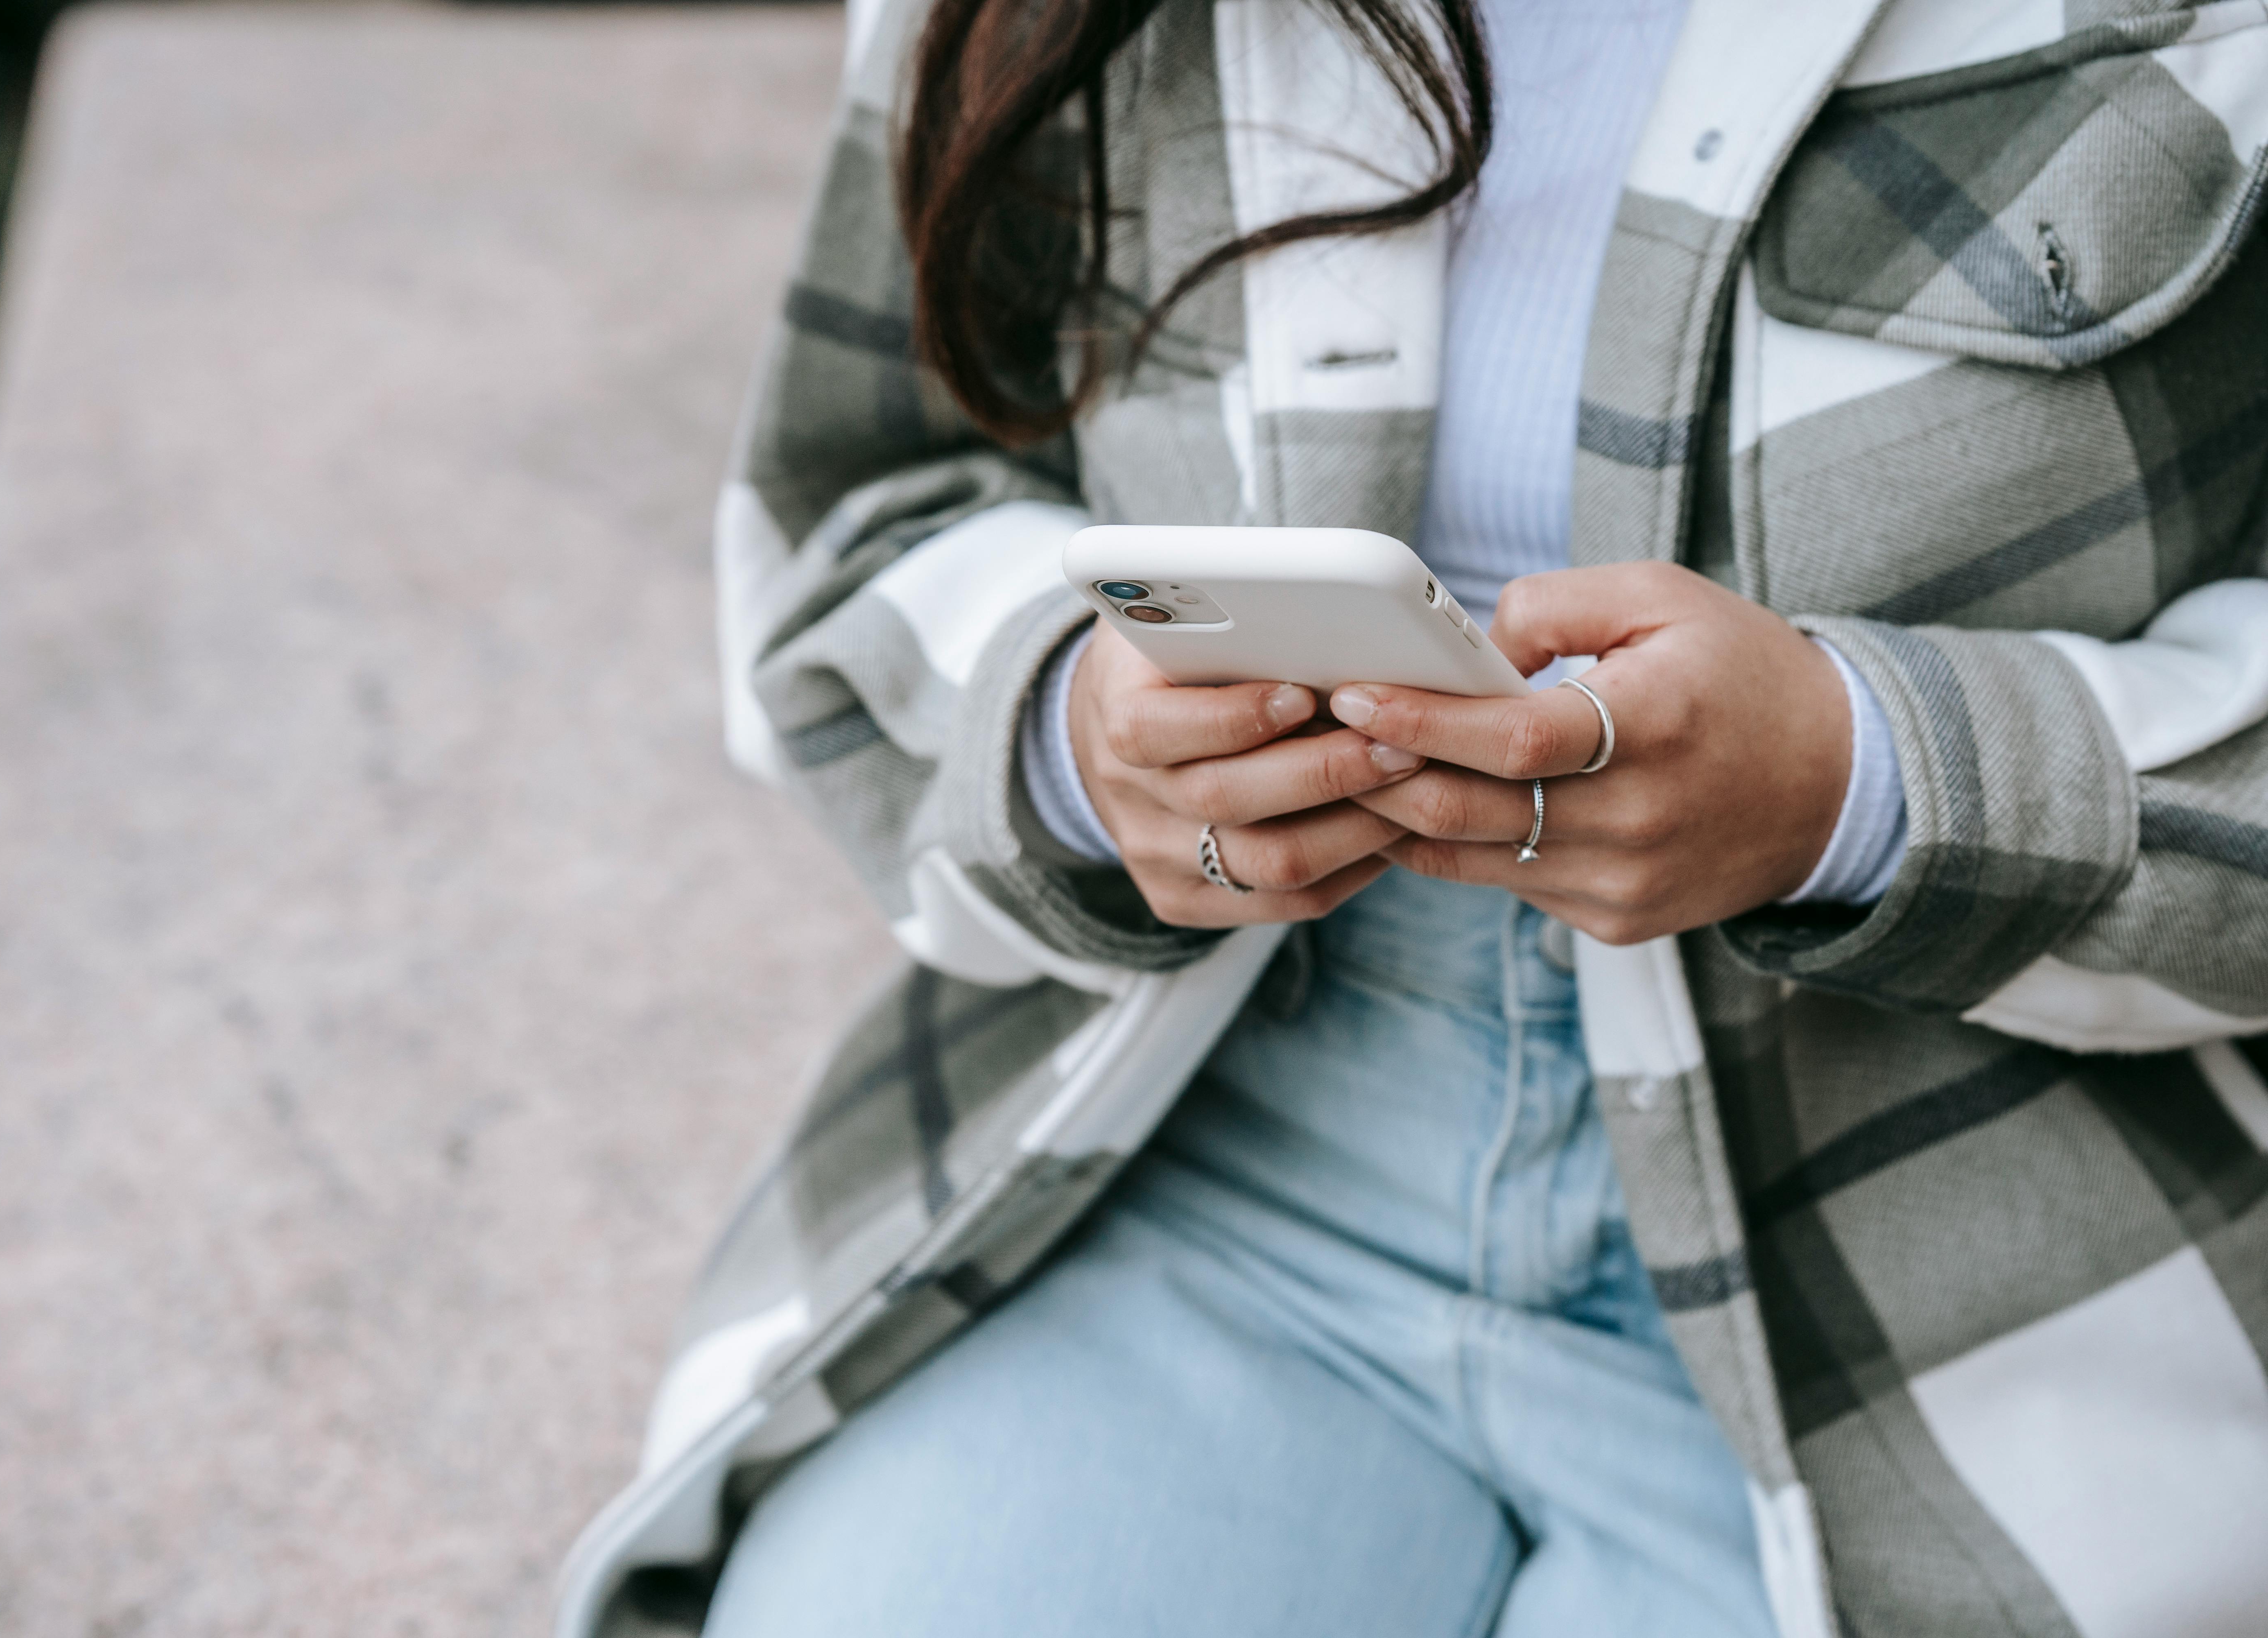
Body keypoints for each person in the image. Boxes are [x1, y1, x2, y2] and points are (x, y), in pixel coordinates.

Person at [558, 0, 2268, 1633]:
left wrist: (1862, 787)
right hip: (1222, 1127)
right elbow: (860, 498)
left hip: (2003, 1219)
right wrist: (1088, 740)